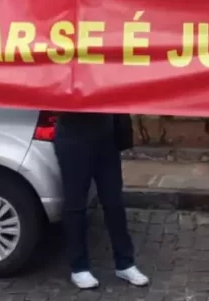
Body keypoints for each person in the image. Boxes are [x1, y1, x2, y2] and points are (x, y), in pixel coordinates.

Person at [54, 111, 149, 290]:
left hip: (106, 137)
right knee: (76, 204)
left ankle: (125, 263)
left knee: (114, 202)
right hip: (73, 136)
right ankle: (79, 267)